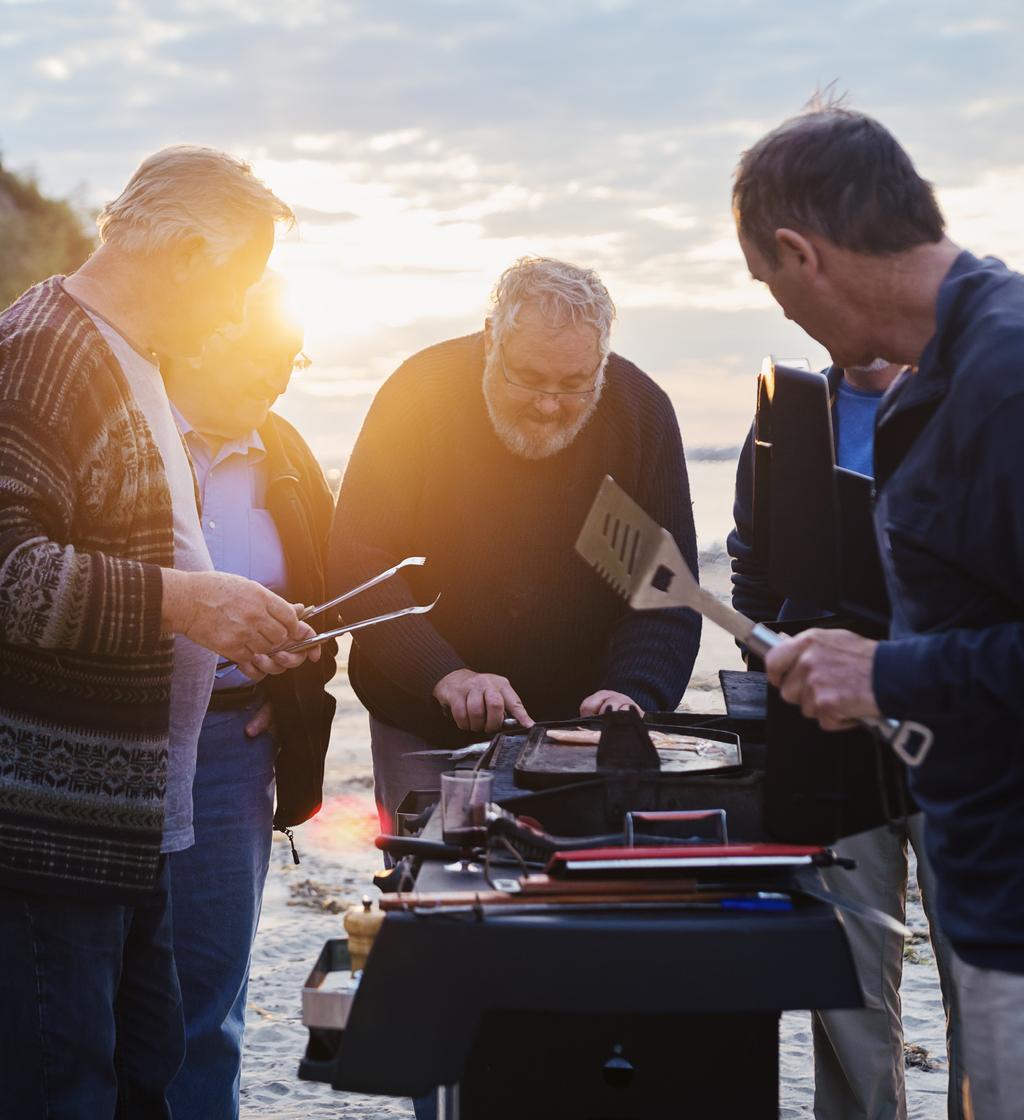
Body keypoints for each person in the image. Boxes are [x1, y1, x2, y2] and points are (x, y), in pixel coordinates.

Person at [0, 146, 319, 1119]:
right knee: (63, 1091)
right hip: (51, 829)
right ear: (185, 253)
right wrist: (189, 603)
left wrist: (229, 616)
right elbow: (10, 577)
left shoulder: (123, 354)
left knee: (147, 1085)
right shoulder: (47, 347)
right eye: (238, 279)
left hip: (127, 821)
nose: (237, 309)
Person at [732, 100, 1024, 1118]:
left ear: (797, 251)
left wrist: (881, 672)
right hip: (990, 896)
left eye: (773, 291)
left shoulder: (1008, 371)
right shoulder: (932, 386)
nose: (786, 320)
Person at [329, 256, 701, 832]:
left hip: (582, 739)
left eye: (576, 384)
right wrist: (447, 675)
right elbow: (357, 563)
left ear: (602, 359)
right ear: (490, 341)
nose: (549, 404)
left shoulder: (639, 412)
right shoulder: (418, 394)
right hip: (421, 722)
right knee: (438, 895)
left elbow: (664, 591)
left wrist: (633, 694)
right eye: (529, 377)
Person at [728, 360, 964, 1120]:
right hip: (828, 739)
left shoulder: (978, 393)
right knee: (848, 982)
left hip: (961, 734)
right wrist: (775, 663)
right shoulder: (789, 409)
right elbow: (753, 565)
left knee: (986, 975)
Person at [162, 271, 337, 1119]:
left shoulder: (289, 451)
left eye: (288, 360)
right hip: (115, 746)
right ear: (200, 334)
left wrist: (299, 682)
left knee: (210, 1003)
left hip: (234, 753)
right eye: (257, 357)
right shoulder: (131, 432)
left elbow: (331, 595)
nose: (274, 379)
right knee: (88, 998)